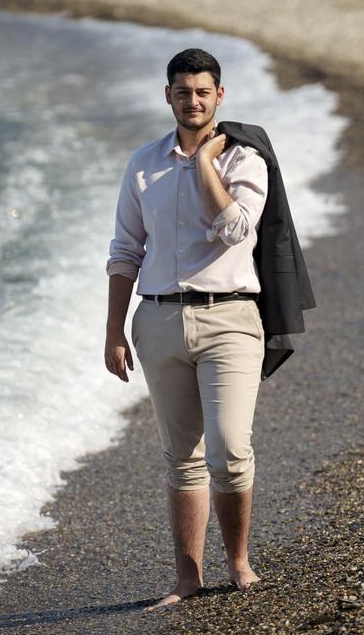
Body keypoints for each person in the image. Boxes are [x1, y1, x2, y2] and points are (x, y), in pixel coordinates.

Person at [105, 48, 269, 610]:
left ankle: (240, 563)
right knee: (181, 457)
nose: (192, 100)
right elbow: (126, 250)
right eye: (182, 91)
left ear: (219, 96)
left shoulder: (246, 160)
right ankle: (187, 576)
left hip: (230, 319)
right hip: (157, 319)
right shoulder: (143, 164)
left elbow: (235, 230)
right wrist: (113, 330)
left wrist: (203, 165)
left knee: (229, 449)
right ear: (168, 96)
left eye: (203, 91)